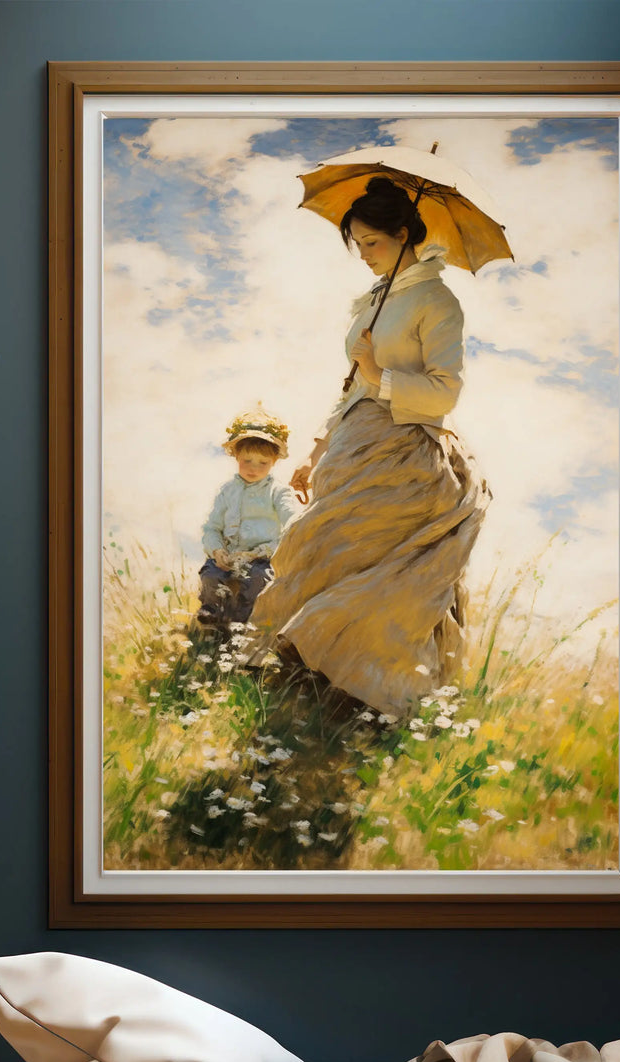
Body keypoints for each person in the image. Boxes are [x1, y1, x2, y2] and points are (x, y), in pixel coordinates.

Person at [249, 176, 491, 715]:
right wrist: (316, 451)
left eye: (371, 243)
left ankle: (368, 697)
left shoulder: (437, 300)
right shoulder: (376, 301)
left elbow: (445, 390)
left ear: (404, 234)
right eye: (357, 245)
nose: (363, 256)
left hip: (402, 452)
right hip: (352, 446)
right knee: (317, 550)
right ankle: (307, 688)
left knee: (370, 566)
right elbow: (351, 386)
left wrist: (379, 374)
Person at [197, 407, 298, 632]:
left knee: (259, 578)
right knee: (211, 573)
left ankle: (243, 619)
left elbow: (292, 524)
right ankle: (213, 611)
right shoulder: (227, 490)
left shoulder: (278, 492)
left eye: (262, 463)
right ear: (236, 457)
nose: (253, 468)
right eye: (247, 461)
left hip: (260, 557)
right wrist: (217, 551)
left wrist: (257, 553)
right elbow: (212, 528)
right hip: (229, 555)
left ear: (274, 461)